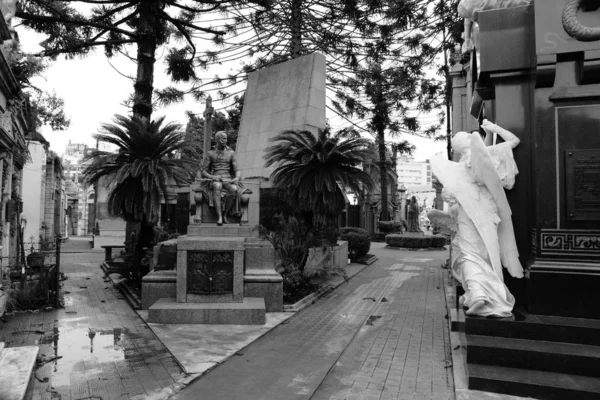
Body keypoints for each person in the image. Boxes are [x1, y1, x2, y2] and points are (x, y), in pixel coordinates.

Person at [428, 119, 523, 318]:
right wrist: (493, 129)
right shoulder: (483, 156)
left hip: (469, 213)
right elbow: (513, 141)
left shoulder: (463, 165)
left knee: (471, 254)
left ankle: (479, 295)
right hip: (487, 212)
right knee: (484, 255)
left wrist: (488, 134)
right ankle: (477, 294)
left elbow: (484, 150)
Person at [200, 131, 250, 225]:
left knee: (234, 189)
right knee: (217, 186)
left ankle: (225, 215)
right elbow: (203, 171)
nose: (226, 140)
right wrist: (213, 177)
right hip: (215, 178)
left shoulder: (231, 153)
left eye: (226, 138)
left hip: (228, 179)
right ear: (218, 139)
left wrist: (237, 177)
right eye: (224, 138)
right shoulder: (210, 153)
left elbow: (237, 169)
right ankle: (219, 217)